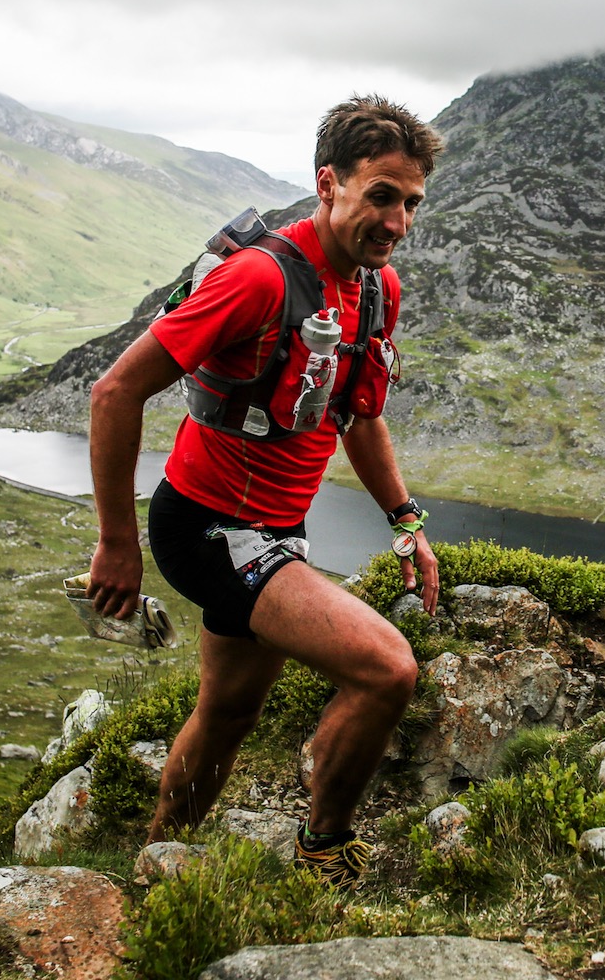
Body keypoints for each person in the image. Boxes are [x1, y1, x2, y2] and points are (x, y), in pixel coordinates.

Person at [84, 95, 443, 889]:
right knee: (387, 669)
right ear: (329, 184)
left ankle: (155, 860)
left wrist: (405, 519)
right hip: (207, 528)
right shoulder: (259, 279)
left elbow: (359, 416)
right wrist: (116, 545)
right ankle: (324, 851)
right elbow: (114, 392)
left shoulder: (376, 290)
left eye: (412, 203)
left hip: (277, 529)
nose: (397, 222)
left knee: (229, 712)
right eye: (381, 196)